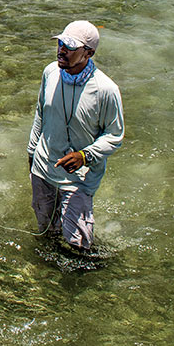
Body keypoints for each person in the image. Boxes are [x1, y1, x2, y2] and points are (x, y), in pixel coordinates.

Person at [27, 20, 124, 250]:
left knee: (78, 245)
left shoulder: (105, 90)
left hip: (79, 178)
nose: (62, 49)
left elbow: (115, 136)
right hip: (42, 168)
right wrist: (31, 151)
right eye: (61, 43)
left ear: (88, 53)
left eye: (70, 46)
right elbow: (40, 112)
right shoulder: (50, 72)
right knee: (46, 233)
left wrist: (85, 155)